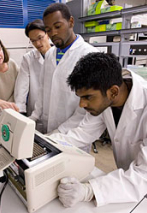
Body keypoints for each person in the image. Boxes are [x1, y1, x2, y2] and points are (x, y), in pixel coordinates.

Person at [51, 52, 147, 213]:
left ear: (113, 92)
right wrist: (45, 141)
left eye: (87, 97)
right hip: (127, 171)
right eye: (80, 97)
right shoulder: (105, 97)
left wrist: (89, 191)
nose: (82, 104)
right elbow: (82, 133)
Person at [29, 3, 99, 136]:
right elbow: (43, 89)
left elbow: (87, 107)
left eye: (58, 26)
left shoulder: (90, 55)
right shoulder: (50, 54)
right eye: (48, 30)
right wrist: (34, 117)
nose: (53, 33)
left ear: (71, 22)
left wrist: (59, 132)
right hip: (48, 128)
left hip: (73, 132)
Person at [14, 19, 52, 116]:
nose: (37, 44)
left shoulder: (60, 55)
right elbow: (22, 86)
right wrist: (20, 109)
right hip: (35, 108)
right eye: (33, 41)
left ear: (47, 34)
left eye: (40, 38)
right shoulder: (28, 59)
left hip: (55, 106)